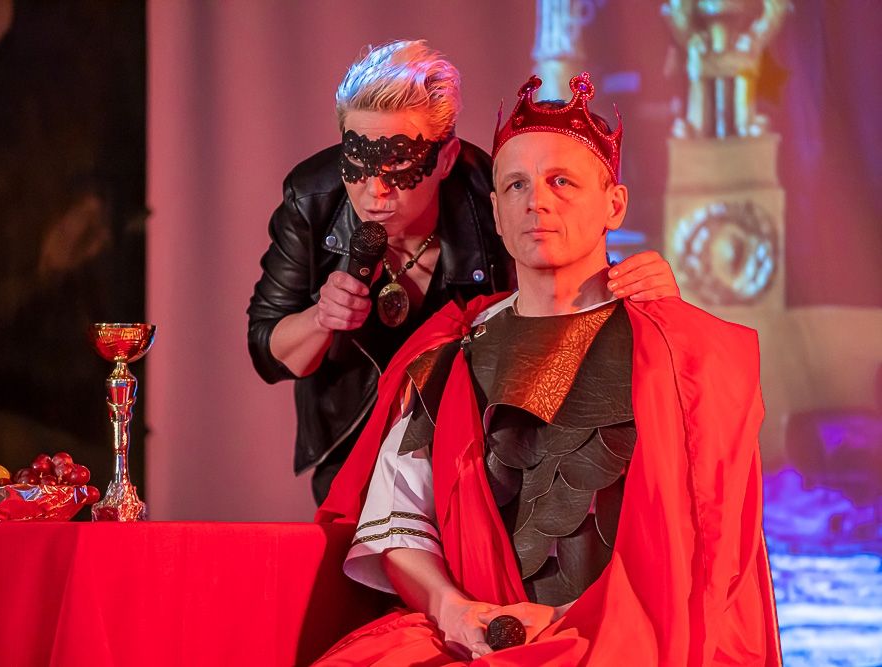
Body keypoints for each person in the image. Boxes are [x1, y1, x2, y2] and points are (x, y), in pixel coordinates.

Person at [313, 73, 780, 665]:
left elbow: (708, 553)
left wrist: (570, 622)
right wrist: (455, 611)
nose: (536, 201)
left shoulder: (685, 356)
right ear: (496, 212)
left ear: (614, 205)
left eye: (562, 181)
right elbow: (398, 523)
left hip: (632, 637)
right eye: (516, 184)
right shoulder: (446, 355)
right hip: (475, 639)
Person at [247, 41, 681, 504]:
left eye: (399, 162)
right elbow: (268, 353)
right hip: (353, 447)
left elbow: (556, 287)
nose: (375, 190)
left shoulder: (491, 198)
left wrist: (629, 289)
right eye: (356, 161)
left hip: (482, 446)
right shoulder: (311, 200)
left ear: (446, 158)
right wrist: (322, 319)